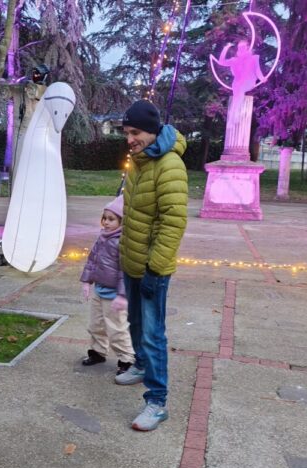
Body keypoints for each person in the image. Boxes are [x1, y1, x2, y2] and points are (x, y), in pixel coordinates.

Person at [117, 100, 188, 432]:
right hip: (132, 262)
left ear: (153, 130)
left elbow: (173, 223)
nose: (130, 139)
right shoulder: (140, 162)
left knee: (152, 332)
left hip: (152, 269)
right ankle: (141, 365)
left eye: (136, 132)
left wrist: (155, 269)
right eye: (127, 133)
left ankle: (156, 402)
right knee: (134, 322)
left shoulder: (169, 165)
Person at [80, 194, 135, 375]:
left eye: (111, 219)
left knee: (117, 329)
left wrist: (122, 295)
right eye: (104, 218)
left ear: (122, 221)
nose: (106, 222)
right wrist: (87, 282)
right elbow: (92, 261)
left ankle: (127, 359)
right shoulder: (102, 237)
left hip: (114, 295)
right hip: (99, 290)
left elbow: (124, 271)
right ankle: (98, 352)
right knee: (96, 325)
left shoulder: (123, 242)